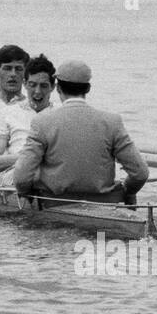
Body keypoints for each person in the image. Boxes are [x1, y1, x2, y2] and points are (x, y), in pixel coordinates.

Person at [11, 60, 148, 206]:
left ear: (57, 88)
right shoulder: (112, 121)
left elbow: (21, 177)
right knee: (100, 230)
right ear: (88, 88)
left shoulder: (42, 121)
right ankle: (101, 230)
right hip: (104, 210)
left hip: (55, 208)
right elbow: (140, 173)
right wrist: (128, 191)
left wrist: (25, 194)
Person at [0, 54, 56, 184]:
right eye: (32, 85)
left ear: (53, 87)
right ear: (25, 84)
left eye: (43, 86)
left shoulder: (61, 113)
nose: (37, 91)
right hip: (17, 171)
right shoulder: (8, 112)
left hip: (52, 171)